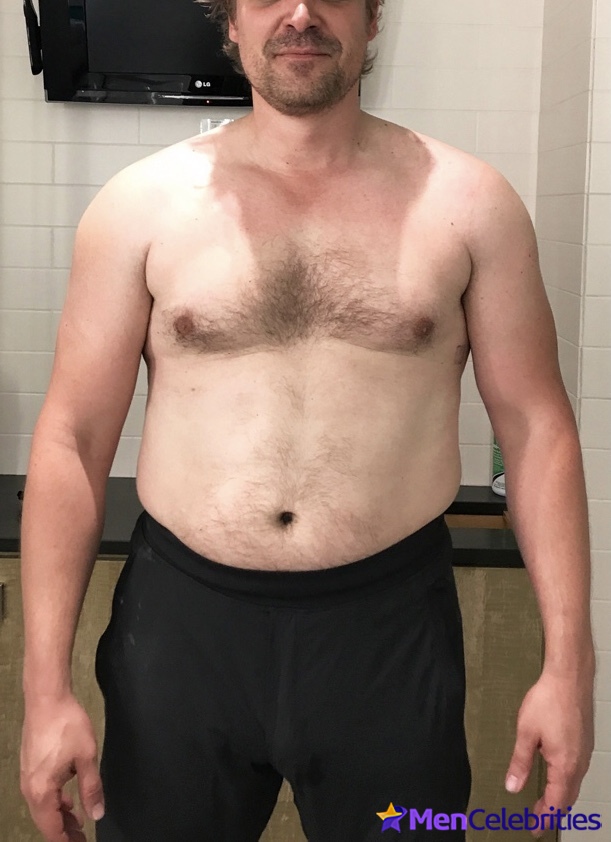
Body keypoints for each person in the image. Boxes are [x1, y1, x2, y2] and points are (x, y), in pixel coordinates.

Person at [19, 1, 595, 840]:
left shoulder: (471, 205)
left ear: (372, 17)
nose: (299, 13)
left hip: (389, 632)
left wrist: (568, 669)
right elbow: (71, 440)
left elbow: (538, 432)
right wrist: (45, 692)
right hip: (183, 630)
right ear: (229, 22)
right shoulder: (140, 207)